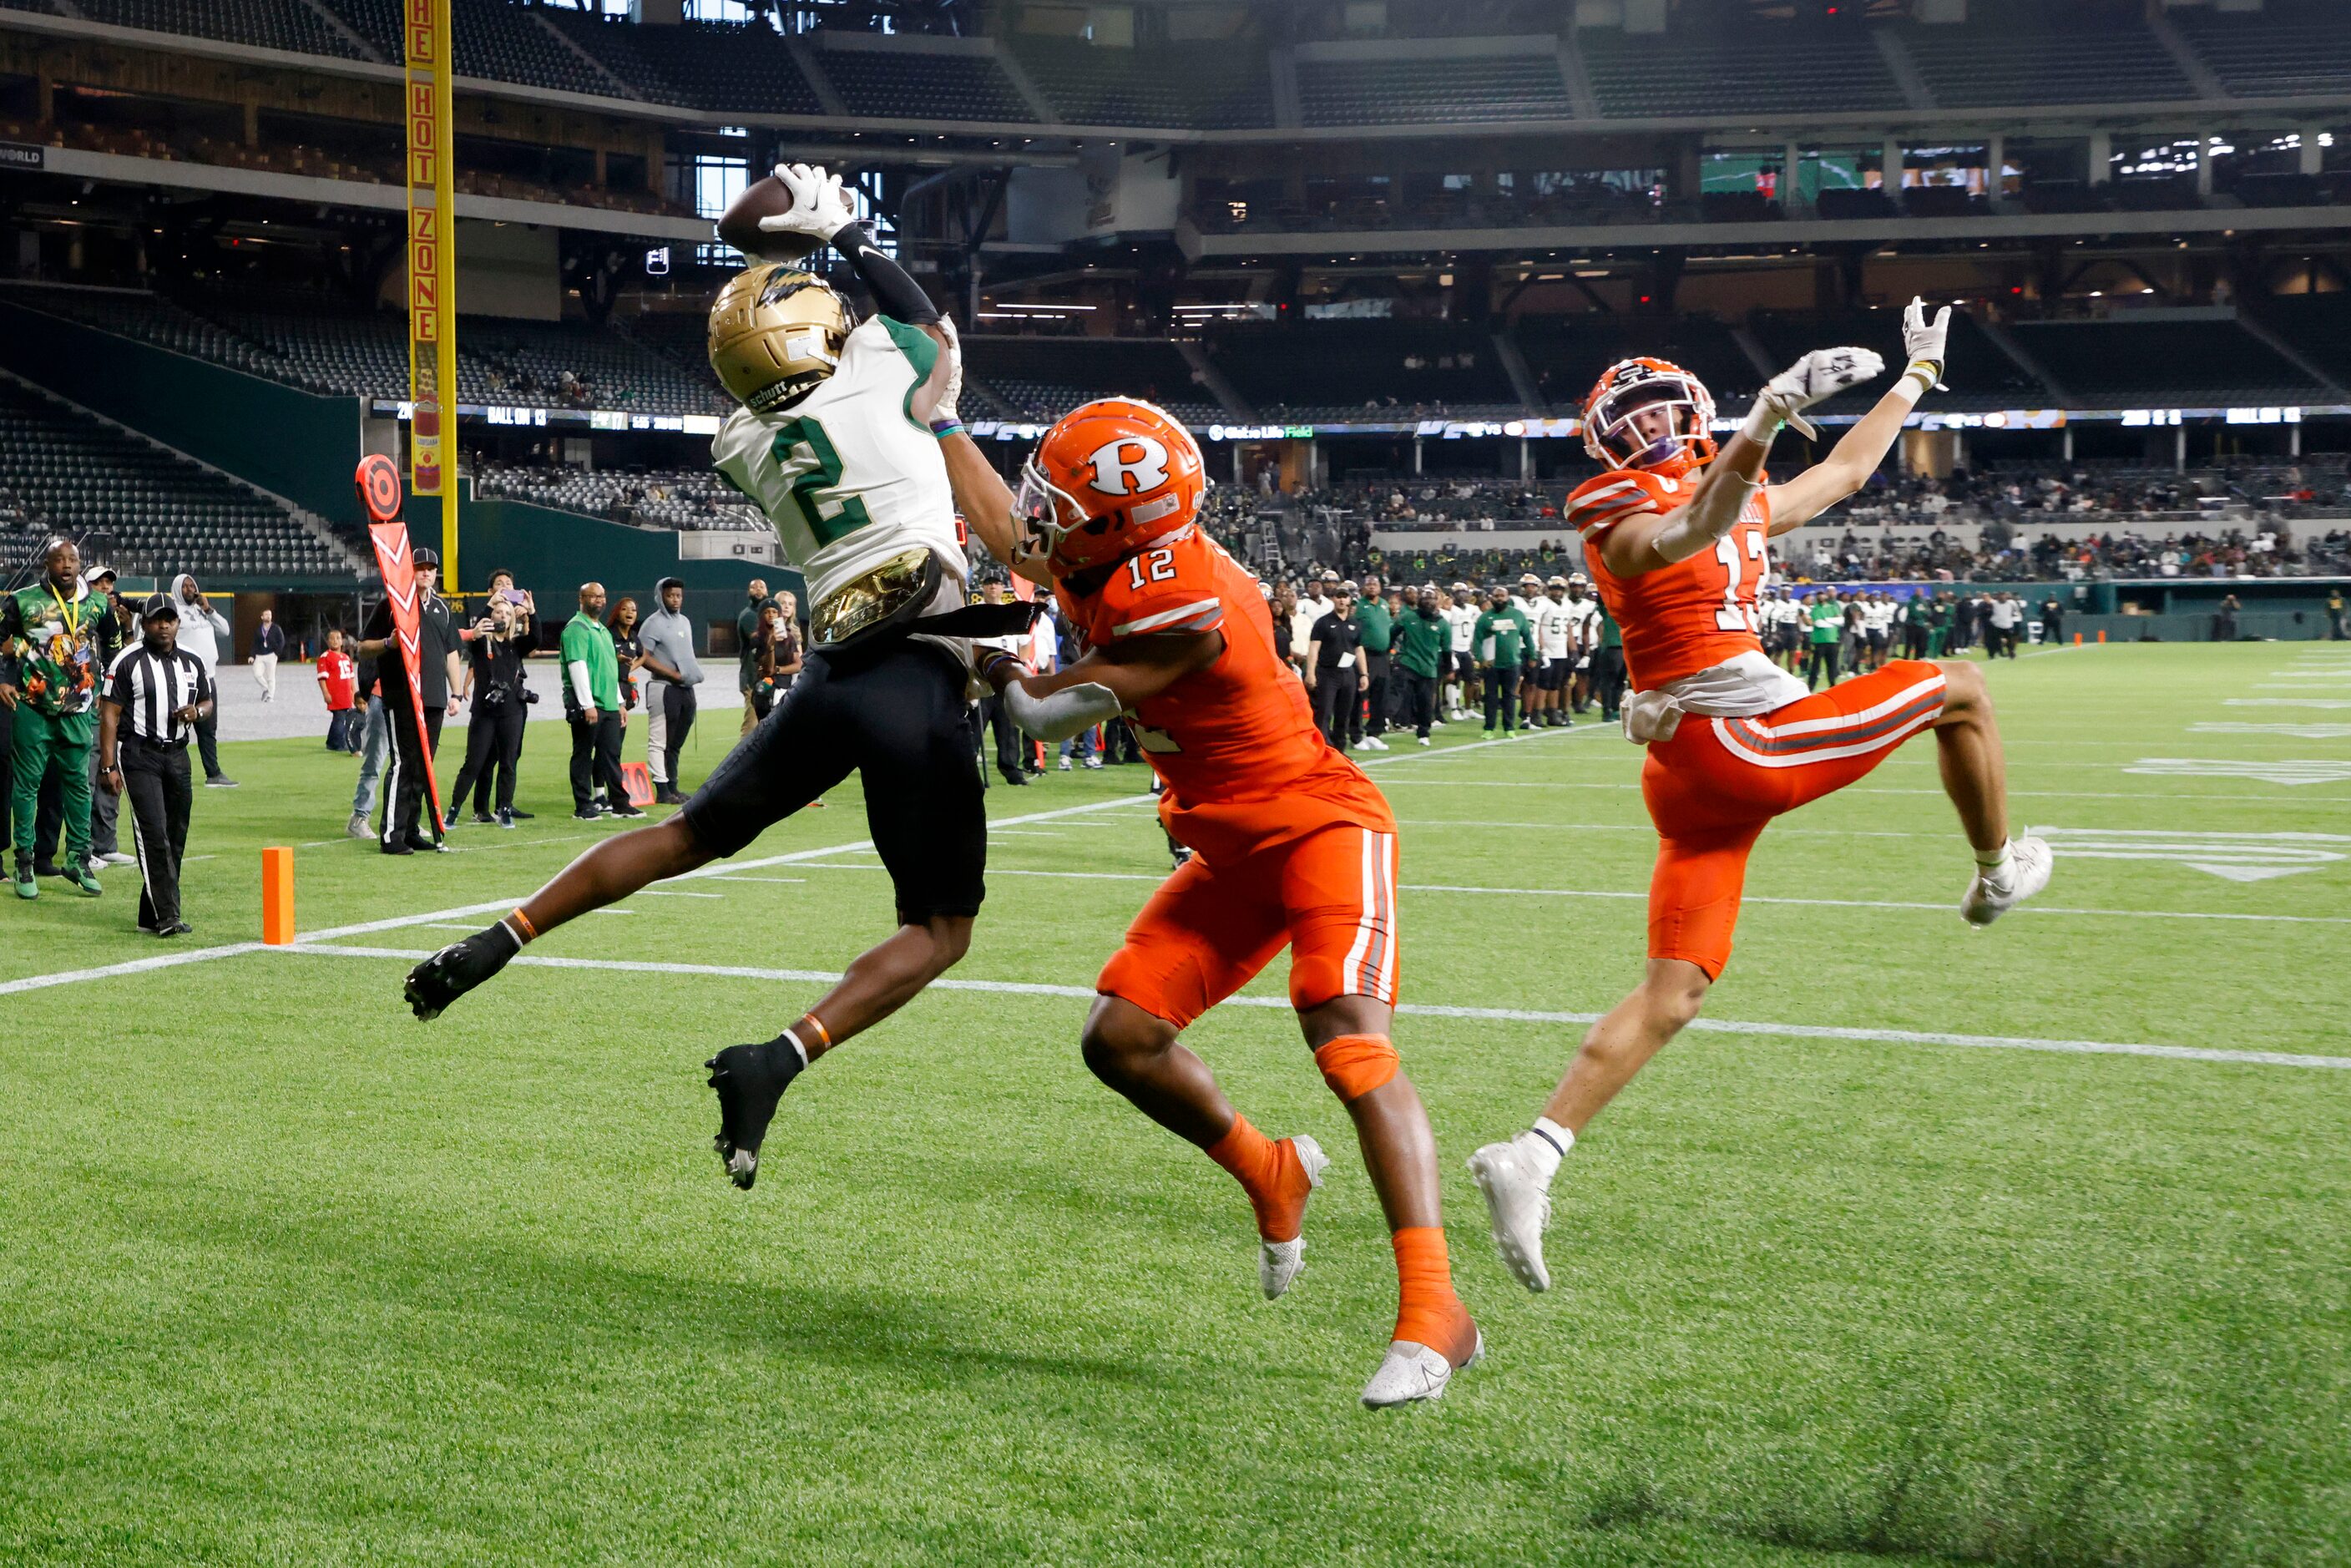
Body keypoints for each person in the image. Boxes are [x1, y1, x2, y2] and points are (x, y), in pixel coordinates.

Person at [404, 165, 1027, 1206]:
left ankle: (497, 937)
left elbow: (776, 328)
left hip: (826, 674)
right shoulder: (887, 369)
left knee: (687, 836)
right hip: (917, 664)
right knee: (940, 929)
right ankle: (779, 1057)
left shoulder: (739, 440)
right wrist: (852, 238)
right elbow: (923, 322)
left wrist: (785, 248)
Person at [1466, 308, 2053, 1295]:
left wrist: (1913, 376)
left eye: (1662, 409)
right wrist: (1769, 412)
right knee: (1958, 687)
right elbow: (1687, 527)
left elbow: (1843, 477)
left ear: (1689, 412)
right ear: (1609, 438)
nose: (1652, 427)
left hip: (1698, 776)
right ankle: (1996, 874)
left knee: (1674, 993)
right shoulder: (1619, 512)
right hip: (1736, 743)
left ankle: (1532, 1154)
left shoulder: (1728, 490)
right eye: (1635, 415)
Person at [952, 396, 1482, 1409]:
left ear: (1121, 521)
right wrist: (940, 426)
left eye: (1062, 502)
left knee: (1344, 1033)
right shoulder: (1110, 560)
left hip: (1321, 825)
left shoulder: (1180, 602)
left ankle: (1436, 1309)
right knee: (1119, 1039)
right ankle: (1269, 1169)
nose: (1039, 515)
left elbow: (1042, 713)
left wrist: (978, 654)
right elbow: (1013, 542)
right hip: (1231, 849)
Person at [1, 538, 108, 897]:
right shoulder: (22, 600)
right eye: (58, 559)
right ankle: (25, 862)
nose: (66, 565)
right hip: (33, 707)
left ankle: (79, 857)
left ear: (80, 564)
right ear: (46, 564)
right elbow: (1, 639)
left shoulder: (97, 603)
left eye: (72, 560)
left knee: (78, 785)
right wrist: (4, 678)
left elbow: (113, 641)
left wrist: (105, 683)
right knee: (27, 786)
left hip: (78, 709)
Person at [97, 594, 210, 936]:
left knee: (176, 835)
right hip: (139, 755)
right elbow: (109, 714)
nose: (164, 625)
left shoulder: (192, 662)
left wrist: (197, 712)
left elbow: (207, 701)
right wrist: (107, 766)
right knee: (154, 834)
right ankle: (168, 916)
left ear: (178, 623)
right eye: (156, 620)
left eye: (170, 619)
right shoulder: (126, 660)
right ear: (143, 623)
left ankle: (150, 914)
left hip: (178, 755)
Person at [355, 546, 460, 856]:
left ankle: (411, 829)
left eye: (431, 567)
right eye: (420, 567)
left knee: (423, 766)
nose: (426, 572)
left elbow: (452, 652)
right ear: (408, 571)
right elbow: (363, 647)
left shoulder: (441, 608)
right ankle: (391, 834)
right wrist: (388, 642)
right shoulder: (391, 605)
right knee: (403, 763)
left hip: (435, 697)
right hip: (402, 695)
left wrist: (455, 693)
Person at [446, 594, 534, 829]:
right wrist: (489, 605)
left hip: (511, 712)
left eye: (506, 613)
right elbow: (471, 633)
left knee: (508, 763)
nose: (501, 616)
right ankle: (454, 809)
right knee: (473, 763)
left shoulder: (516, 645)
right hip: (484, 713)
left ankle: (505, 809)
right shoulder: (479, 642)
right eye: (498, 612)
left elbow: (536, 638)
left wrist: (531, 613)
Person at [564, 583, 634, 821]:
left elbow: (609, 670)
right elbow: (577, 666)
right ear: (581, 599)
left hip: (609, 705)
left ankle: (620, 804)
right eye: (593, 596)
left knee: (611, 755)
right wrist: (587, 704)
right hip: (590, 705)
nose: (599, 600)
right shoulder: (577, 628)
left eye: (602, 596)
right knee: (583, 755)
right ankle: (583, 806)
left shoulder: (603, 630)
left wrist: (620, 702)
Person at [168, 574, 236, 787]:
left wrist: (208, 609)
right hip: (184, 677)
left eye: (192, 586)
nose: (190, 589)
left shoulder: (201, 611)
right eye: (186, 586)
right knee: (176, 725)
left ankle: (213, 773)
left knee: (208, 727)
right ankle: (170, 771)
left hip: (208, 676)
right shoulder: (172, 612)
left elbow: (224, 630)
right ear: (178, 589)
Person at [640, 575, 703, 806]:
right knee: (659, 741)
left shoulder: (684, 621)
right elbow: (643, 657)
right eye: (670, 596)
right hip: (663, 688)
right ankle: (662, 789)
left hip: (686, 690)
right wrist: (673, 674)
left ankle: (673, 786)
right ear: (660, 596)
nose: (676, 600)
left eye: (679, 596)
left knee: (676, 742)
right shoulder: (652, 623)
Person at [968, 582, 1027, 785]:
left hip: (1006, 680)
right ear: (983, 588)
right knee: (975, 728)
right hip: (983, 681)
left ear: (1003, 588)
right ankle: (969, 769)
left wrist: (1022, 668)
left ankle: (1011, 770)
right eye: (988, 584)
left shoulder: (1009, 613)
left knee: (1009, 728)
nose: (993, 587)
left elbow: (1023, 644)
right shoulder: (975, 614)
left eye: (997, 584)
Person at [1305, 581, 1365, 754]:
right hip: (1327, 673)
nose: (1341, 600)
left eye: (1344, 597)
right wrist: (1311, 673)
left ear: (1349, 600)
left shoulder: (1355, 624)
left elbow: (1359, 650)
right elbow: (1314, 648)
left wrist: (1364, 674)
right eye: (1338, 596)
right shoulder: (1323, 623)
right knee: (1324, 714)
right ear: (1332, 599)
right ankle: (1322, 750)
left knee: (1343, 714)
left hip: (1348, 674)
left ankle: (1340, 751)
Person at [1392, 585, 1447, 746]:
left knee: (1425, 702)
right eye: (1425, 599)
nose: (1428, 602)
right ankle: (1392, 719)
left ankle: (1423, 732)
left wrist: (1448, 668)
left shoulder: (1442, 623)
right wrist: (1392, 651)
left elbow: (1447, 648)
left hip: (1429, 667)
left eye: (1431, 599)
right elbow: (1392, 632)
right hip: (1408, 663)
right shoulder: (1408, 617)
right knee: (1399, 691)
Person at [1473, 584, 1528, 733]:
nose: (1499, 598)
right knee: (1490, 697)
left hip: (1512, 662)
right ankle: (1489, 728)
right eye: (1496, 596)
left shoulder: (1518, 615)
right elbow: (1476, 640)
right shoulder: (1484, 617)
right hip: (1491, 664)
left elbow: (1527, 636)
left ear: (1507, 597)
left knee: (1509, 696)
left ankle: (1509, 727)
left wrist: (1532, 654)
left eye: (1502, 595)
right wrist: (1480, 658)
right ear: (1491, 598)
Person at [1353, 573, 1391, 751]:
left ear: (1380, 588)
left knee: (1381, 696)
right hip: (1364, 655)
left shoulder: (1384, 605)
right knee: (1359, 696)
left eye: (1374, 584)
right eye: (1368, 584)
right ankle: (1356, 735)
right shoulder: (1359, 607)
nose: (1371, 587)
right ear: (1363, 588)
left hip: (1383, 656)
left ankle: (1374, 733)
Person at [736, 578, 771, 736]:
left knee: (768, 721)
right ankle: (742, 757)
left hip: (768, 678)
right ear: (748, 592)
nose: (758, 590)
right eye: (754, 587)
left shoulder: (770, 615)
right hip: (752, 678)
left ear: (767, 591)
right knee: (751, 724)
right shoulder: (748, 616)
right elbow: (759, 640)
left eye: (761, 587)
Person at [317, 628, 361, 753]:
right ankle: (338, 744)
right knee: (340, 718)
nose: (335, 641)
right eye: (332, 638)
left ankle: (331, 742)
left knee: (339, 718)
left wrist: (355, 693)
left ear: (342, 641)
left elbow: (351, 678)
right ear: (328, 642)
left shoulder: (346, 658)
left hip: (347, 694)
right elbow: (322, 678)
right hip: (335, 694)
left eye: (337, 638)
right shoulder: (325, 657)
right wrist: (326, 693)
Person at [1804, 589, 1843, 689]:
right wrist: (1832, 622)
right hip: (1819, 641)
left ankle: (1832, 684)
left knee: (1832, 665)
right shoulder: (1815, 609)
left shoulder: (1833, 607)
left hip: (1832, 640)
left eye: (1822, 595)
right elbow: (1818, 623)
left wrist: (1826, 620)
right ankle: (1811, 685)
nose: (1820, 597)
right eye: (1818, 595)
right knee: (1815, 665)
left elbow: (1840, 621)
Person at [250, 609, 286, 701]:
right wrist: (252, 656)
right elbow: (254, 643)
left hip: (271, 655)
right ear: (262, 617)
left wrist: (276, 653)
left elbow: (281, 641)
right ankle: (266, 688)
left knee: (271, 676)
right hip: (260, 655)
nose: (268, 616)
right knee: (257, 674)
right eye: (266, 615)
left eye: (270, 614)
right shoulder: (258, 630)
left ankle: (270, 696)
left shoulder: (276, 628)